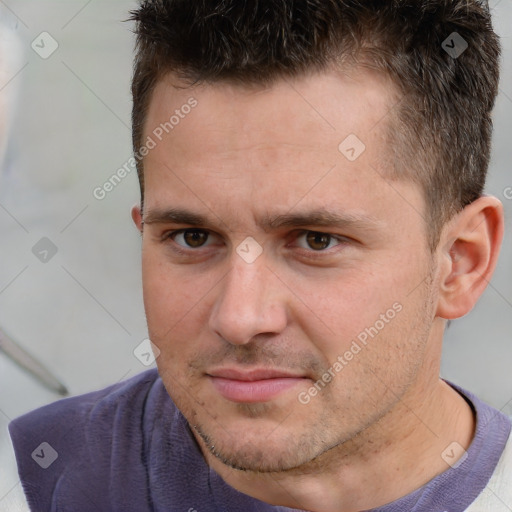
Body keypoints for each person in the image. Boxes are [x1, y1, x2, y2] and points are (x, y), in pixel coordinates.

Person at [8, 0, 512, 510]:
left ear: (460, 263)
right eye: (192, 237)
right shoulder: (29, 486)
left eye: (316, 240)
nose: (239, 318)